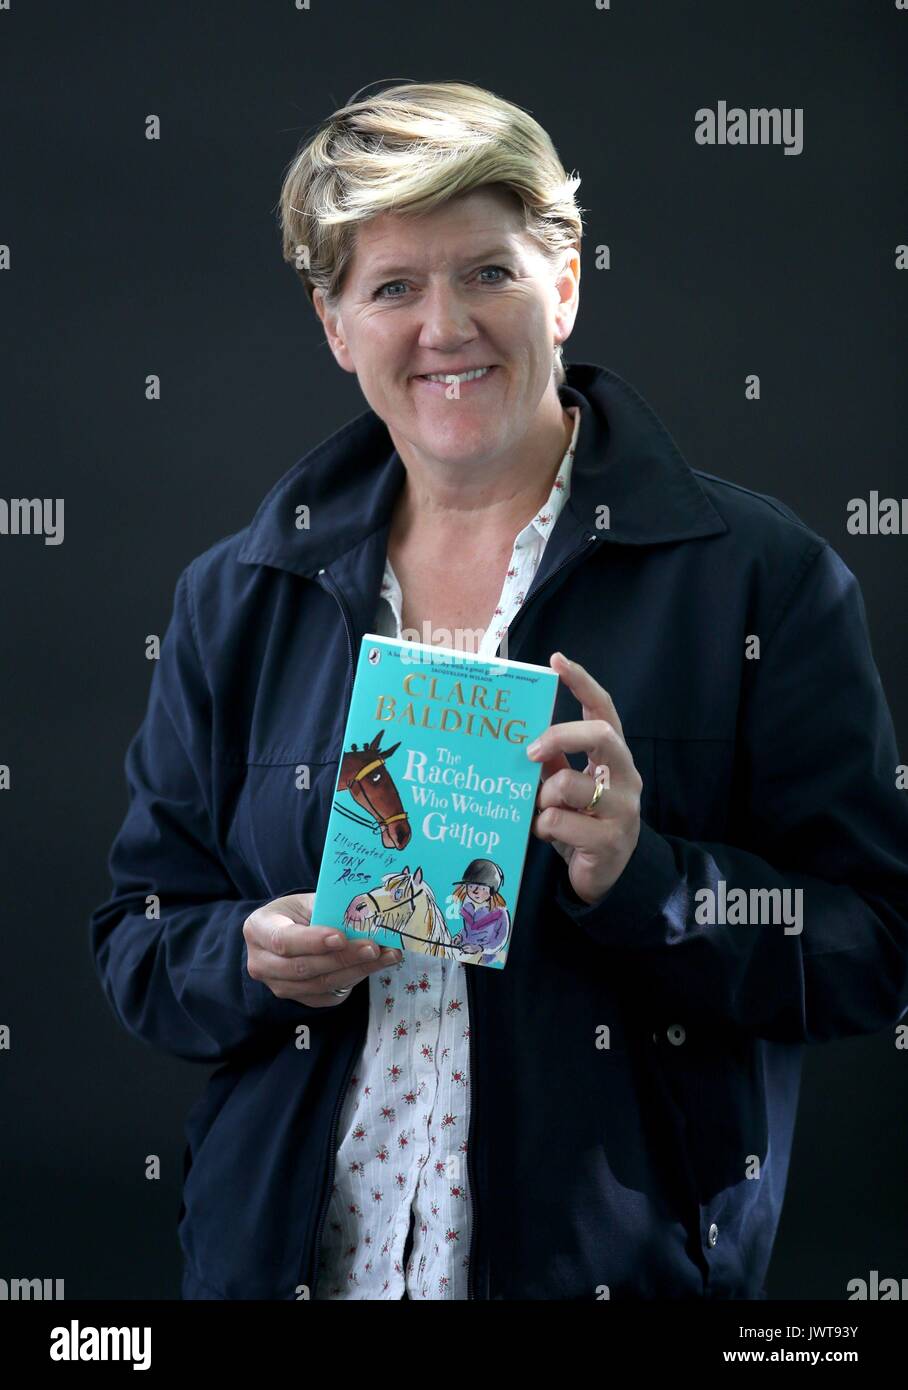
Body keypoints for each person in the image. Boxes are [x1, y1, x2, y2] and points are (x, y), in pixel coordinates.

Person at [90, 79, 908, 1301]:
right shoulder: (239, 592)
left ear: (563, 282)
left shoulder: (759, 580)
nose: (445, 327)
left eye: (487, 272)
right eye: (393, 288)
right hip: (286, 1271)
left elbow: (871, 948)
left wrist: (648, 882)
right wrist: (247, 957)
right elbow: (139, 939)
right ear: (333, 323)